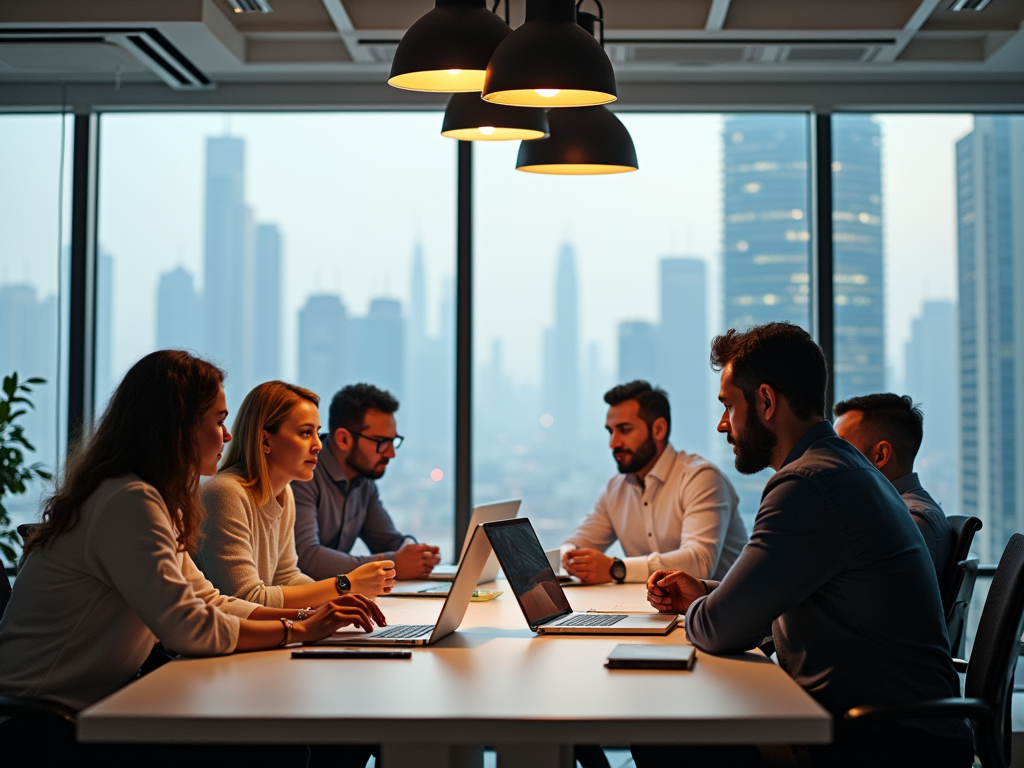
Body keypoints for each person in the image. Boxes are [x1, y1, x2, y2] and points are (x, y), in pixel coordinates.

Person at [0, 350, 384, 766]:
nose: (228, 435)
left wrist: (305, 620)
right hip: (41, 726)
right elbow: (189, 629)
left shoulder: (153, 500)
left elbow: (210, 600)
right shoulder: (128, 500)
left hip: (96, 706)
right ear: (178, 426)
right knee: (280, 750)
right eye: (218, 421)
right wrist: (297, 631)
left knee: (307, 740)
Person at [640, 323, 973, 768]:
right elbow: (780, 595)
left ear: (765, 401)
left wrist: (703, 610)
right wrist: (706, 593)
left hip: (882, 742)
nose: (723, 425)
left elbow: (718, 629)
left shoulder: (807, 483)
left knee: (658, 732)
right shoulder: (845, 466)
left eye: (728, 407)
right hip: (897, 728)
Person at [198, 381, 396, 610]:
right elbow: (247, 599)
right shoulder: (225, 493)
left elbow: (287, 576)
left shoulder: (284, 494)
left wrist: (340, 602)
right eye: (305, 433)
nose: (318, 445)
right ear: (265, 440)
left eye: (317, 433)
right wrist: (345, 585)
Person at [560, 380, 747, 585]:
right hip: (653, 610)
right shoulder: (615, 489)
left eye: (624, 430)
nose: (613, 443)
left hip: (720, 612)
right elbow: (576, 543)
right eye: (610, 431)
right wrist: (570, 557)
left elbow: (699, 562)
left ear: (658, 429)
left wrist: (616, 569)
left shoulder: (701, 477)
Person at [292, 383, 440, 580]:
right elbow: (307, 559)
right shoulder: (304, 473)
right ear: (344, 439)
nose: (391, 453)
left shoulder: (363, 481)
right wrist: (393, 563)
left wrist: (418, 554)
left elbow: (388, 542)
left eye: (393, 441)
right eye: (381, 442)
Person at [834, 393, 955, 580]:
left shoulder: (909, 522)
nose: (830, 456)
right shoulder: (901, 513)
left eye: (842, 446)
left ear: (880, 456)